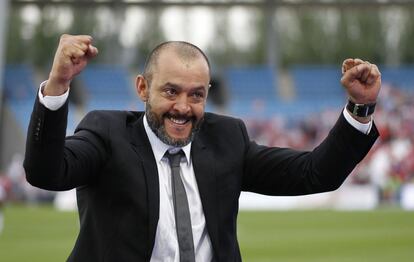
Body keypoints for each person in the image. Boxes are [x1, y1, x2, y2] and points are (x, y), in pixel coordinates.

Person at [24, 34, 380, 262]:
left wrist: (359, 108)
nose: (183, 106)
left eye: (196, 95)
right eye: (170, 91)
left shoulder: (227, 138)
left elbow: (315, 174)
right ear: (142, 88)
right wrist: (57, 85)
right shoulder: (107, 133)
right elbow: (46, 173)